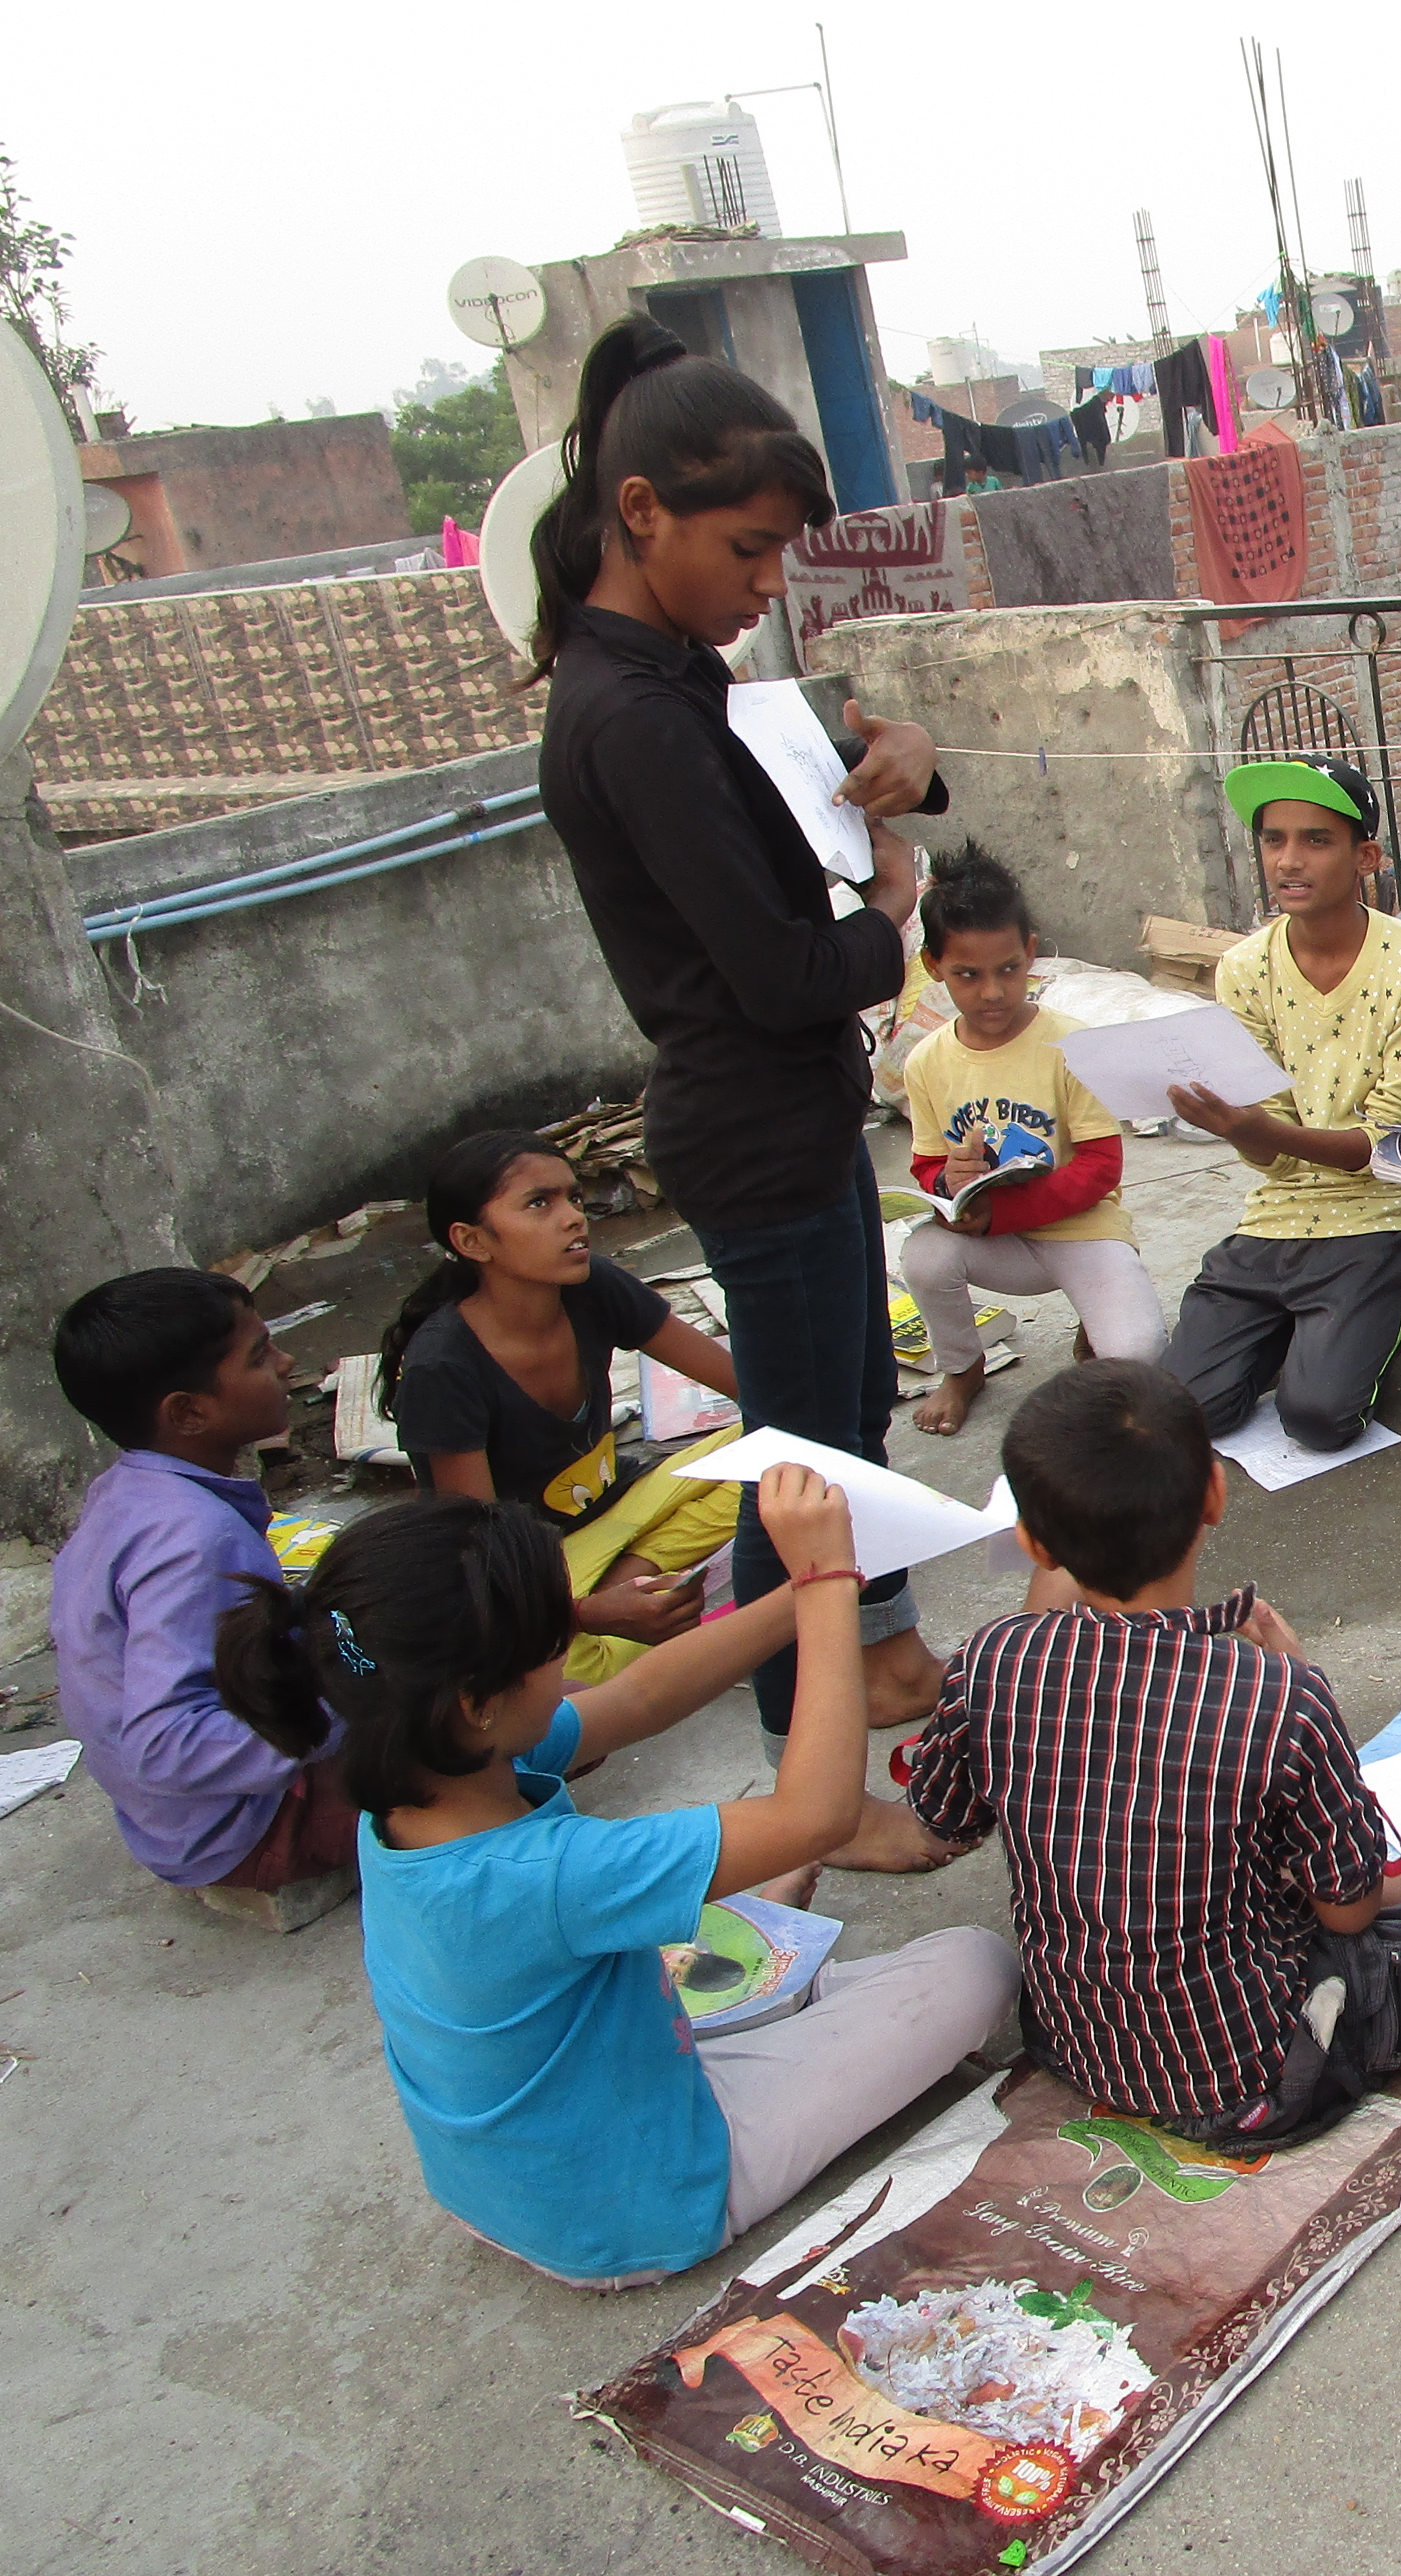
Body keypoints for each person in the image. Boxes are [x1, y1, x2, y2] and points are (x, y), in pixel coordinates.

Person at [212, 1470, 1018, 2288]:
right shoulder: (547, 1874)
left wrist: (804, 1591)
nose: (567, 1664)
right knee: (974, 1965)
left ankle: (780, 1975)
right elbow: (815, 1816)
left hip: (515, 2174)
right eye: (551, 1653)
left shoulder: (418, 1783)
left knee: (718, 1929)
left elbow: (642, 1693)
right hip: (640, 2205)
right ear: (479, 1702)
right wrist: (831, 1592)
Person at [533, 313, 952, 1867]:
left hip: (792, 1115)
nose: (769, 585)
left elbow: (820, 780)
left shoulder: (685, 680)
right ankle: (806, 1779)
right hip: (749, 1119)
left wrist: (908, 753)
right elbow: (786, 971)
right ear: (641, 513)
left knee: (847, 1412)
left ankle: (890, 1652)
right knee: (801, 1470)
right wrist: (891, 918)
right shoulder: (633, 717)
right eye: (752, 548)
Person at [902, 1363, 1401, 2147]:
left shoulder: (989, 1661)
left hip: (1075, 2044)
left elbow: (942, 1824)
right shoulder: (1277, 1696)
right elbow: (1350, 1910)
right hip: (1257, 2074)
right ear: (1217, 1498)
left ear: (1030, 1542)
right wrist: (1308, 1688)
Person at [1159, 758, 1401, 1455]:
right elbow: (1267, 1147)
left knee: (1322, 1419)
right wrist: (1242, 1130)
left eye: (1316, 840)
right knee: (1184, 1414)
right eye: (1273, 839)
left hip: (1384, 1208)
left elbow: (1388, 1142)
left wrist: (1258, 1130)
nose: (1289, 860)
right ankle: (1320, 1325)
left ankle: (1377, 1302)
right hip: (1280, 1215)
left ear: (1366, 857)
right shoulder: (1243, 969)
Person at [383, 1132, 744, 1692]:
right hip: (532, 1569)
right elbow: (481, 1555)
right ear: (473, 1242)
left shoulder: (590, 1284)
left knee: (788, 1449)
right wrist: (584, 1616)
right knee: (552, 1673)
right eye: (539, 1204)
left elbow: (741, 1385)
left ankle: (634, 1583)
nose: (574, 1219)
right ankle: (621, 1614)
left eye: (574, 1199)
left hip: (621, 1511)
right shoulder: (441, 1368)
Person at [47, 1270, 345, 1901]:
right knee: (519, 1728)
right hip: (244, 1831)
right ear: (188, 1412)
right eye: (261, 1356)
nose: (287, 1362)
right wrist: (356, 1715)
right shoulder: (195, 1539)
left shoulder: (128, 1492)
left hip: (177, 1826)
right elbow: (166, 1746)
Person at [896, 844, 1166, 1437]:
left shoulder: (1073, 1044)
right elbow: (926, 1165)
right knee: (923, 1256)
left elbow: (1101, 1166)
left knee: (1140, 1357)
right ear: (933, 965)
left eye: (1008, 969)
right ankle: (963, 1369)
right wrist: (948, 1182)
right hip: (1000, 1245)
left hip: (1082, 1233)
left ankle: (1094, 1322)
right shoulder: (927, 1063)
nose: (992, 992)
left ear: (1032, 954)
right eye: (968, 974)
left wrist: (999, 1209)